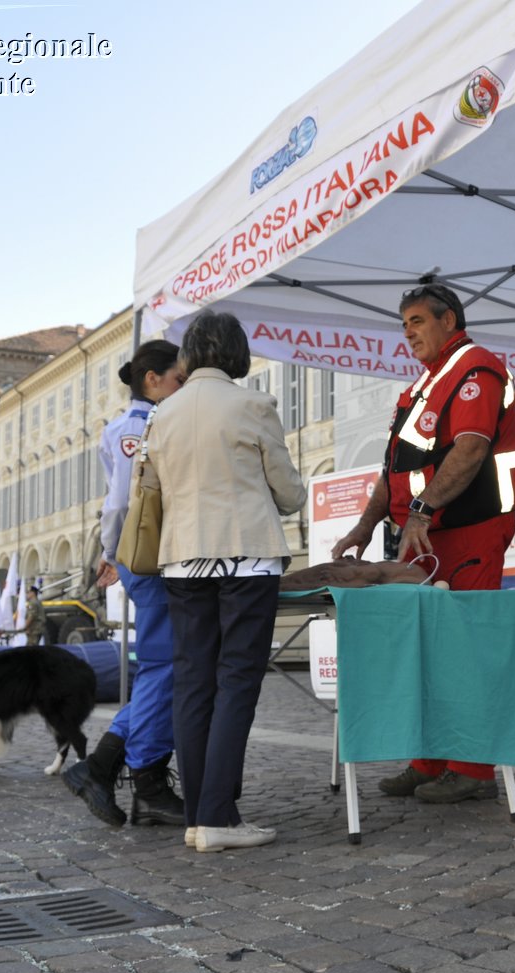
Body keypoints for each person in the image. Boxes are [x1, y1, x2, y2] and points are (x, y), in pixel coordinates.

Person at [331, 283, 515, 804]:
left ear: (448, 320)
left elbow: (471, 449)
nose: (408, 331)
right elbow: (394, 470)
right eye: (404, 324)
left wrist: (420, 511)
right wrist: (366, 526)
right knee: (427, 653)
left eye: (417, 320)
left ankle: (473, 769)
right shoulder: (424, 384)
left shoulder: (475, 367)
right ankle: (429, 760)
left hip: (469, 529)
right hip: (426, 535)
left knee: (464, 648)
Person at [149, 311, 305, 852]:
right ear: (236, 353)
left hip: (182, 559)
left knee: (193, 683)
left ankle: (200, 815)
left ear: (190, 354)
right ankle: (218, 817)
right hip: (245, 556)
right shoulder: (254, 405)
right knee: (236, 680)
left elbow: (154, 490)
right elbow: (288, 494)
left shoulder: (161, 415)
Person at [64, 338, 189, 828]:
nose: (183, 387)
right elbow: (120, 501)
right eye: (179, 378)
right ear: (153, 379)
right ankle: (136, 775)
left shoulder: (133, 424)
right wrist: (113, 550)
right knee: (167, 666)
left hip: (144, 557)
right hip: (152, 557)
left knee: (168, 666)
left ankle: (106, 766)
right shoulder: (139, 426)